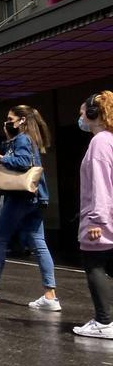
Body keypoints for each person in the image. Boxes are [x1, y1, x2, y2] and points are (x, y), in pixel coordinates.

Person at [0, 105, 60, 310]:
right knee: (39, 243)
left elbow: (23, 162)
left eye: (10, 118)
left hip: (20, 197)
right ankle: (50, 295)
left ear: (22, 120)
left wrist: (0, 158)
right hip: (36, 198)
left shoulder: (23, 139)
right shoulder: (30, 138)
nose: (7, 121)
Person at [72, 92, 113, 339]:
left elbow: (101, 182)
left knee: (94, 264)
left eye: (81, 113)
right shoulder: (110, 140)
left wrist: (97, 220)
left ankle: (104, 322)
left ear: (93, 114)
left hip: (101, 217)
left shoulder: (99, 142)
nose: (80, 117)